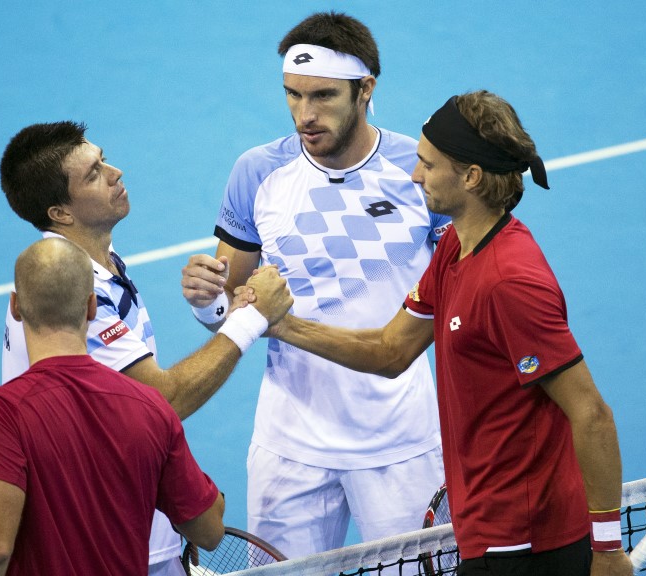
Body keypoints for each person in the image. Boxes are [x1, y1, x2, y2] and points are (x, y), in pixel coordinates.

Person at [263, 91, 634, 575]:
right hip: (486, 530)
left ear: (471, 176)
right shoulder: (457, 245)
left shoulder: (510, 282)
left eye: (427, 165)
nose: (414, 176)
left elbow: (592, 414)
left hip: (525, 544)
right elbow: (391, 350)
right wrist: (283, 325)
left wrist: (606, 549)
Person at [181, 11, 449, 558]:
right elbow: (233, 304)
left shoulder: (419, 171)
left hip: (402, 442)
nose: (306, 114)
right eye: (293, 95)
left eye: (323, 96)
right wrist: (207, 302)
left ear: (365, 90)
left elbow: (462, 291)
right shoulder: (256, 172)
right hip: (290, 444)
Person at [0, 121, 293, 576]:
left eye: (103, 158)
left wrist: (214, 305)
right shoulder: (71, 294)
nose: (116, 172)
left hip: (131, 527)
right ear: (60, 213)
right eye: (94, 173)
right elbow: (161, 401)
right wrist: (252, 317)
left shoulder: (89, 266)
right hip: (106, 544)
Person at [0, 237, 225, 576]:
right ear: (91, 307)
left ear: (16, 307)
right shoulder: (151, 408)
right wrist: (213, 499)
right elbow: (209, 530)